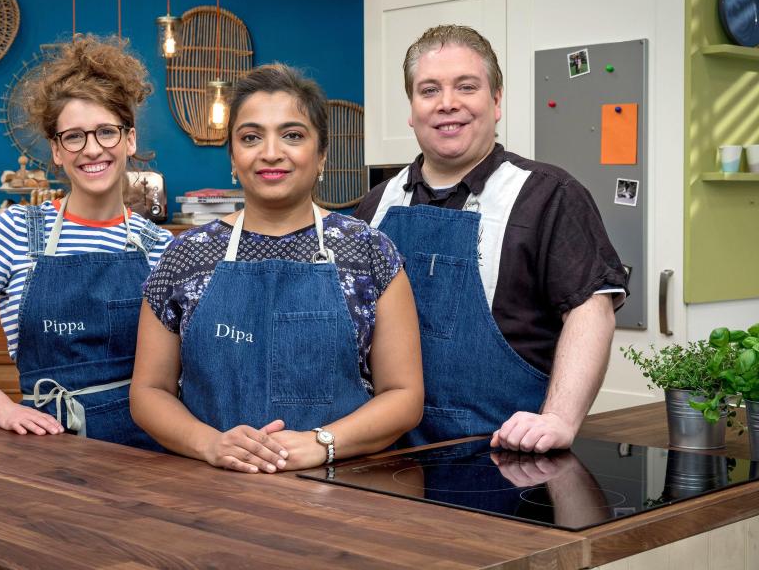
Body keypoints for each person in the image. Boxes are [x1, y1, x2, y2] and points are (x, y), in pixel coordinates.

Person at [131, 64, 423, 473]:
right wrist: (212, 444)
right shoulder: (185, 256)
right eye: (251, 137)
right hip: (210, 493)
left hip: (343, 493)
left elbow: (404, 395)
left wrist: (323, 443)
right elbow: (148, 391)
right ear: (233, 156)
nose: (271, 152)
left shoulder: (370, 252)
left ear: (321, 153)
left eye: (292, 135)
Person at [353, 25, 627, 453]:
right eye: (429, 90)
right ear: (411, 108)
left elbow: (591, 310)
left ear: (496, 100)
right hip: (386, 459)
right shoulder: (375, 208)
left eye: (467, 87)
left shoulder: (549, 196)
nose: (448, 104)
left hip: (508, 458)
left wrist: (558, 418)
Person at [0, 34, 173, 448]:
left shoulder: (158, 246)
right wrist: (2, 407)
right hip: (50, 445)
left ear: (130, 139)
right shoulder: (16, 230)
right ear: (56, 150)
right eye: (73, 137)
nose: (92, 150)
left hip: (147, 448)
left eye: (106, 131)